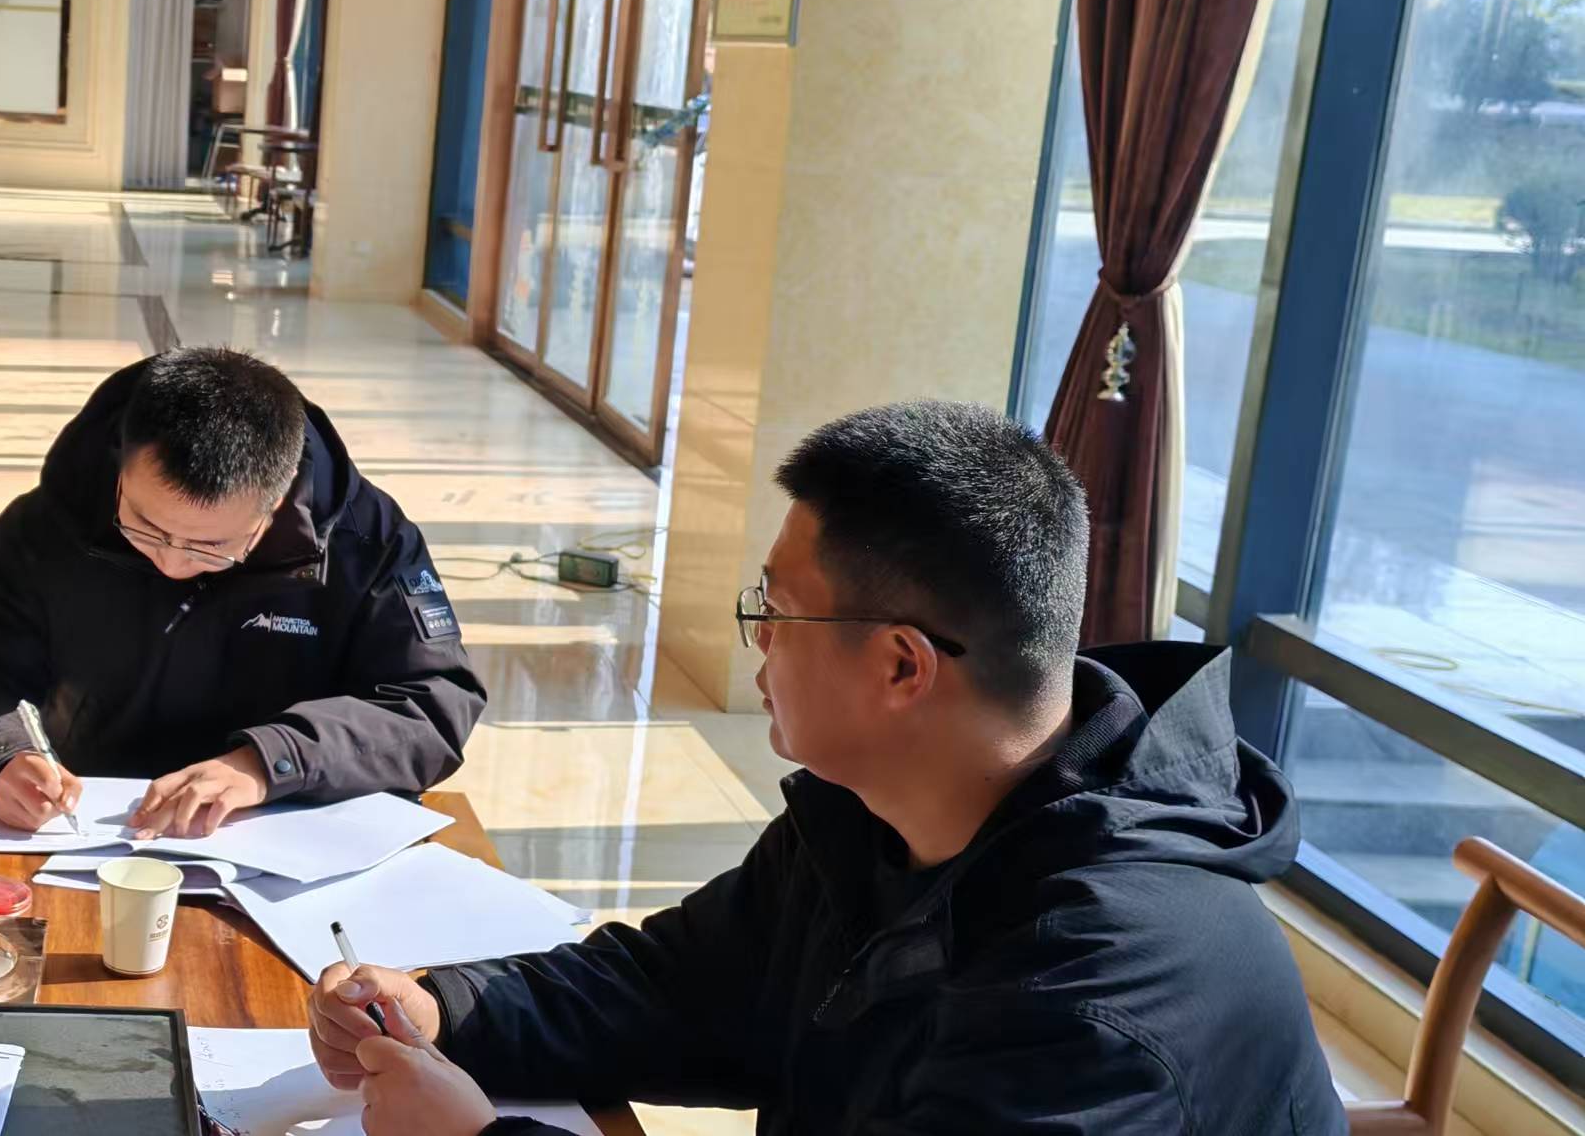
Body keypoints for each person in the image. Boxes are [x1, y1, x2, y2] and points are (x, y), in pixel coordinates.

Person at [305, 401, 1347, 1135]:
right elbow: (681, 986)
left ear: (901, 665)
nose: (756, 641)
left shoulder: (1097, 988)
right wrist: (448, 1009)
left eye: (774, 610)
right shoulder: (874, 813)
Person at [0, 347, 485, 839]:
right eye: (144, 526)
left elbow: (432, 705)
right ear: (121, 466)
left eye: (211, 546)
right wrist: (3, 755)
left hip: (284, 830)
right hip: (90, 829)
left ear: (276, 501)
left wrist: (272, 762)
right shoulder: (53, 523)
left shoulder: (364, 541)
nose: (172, 563)